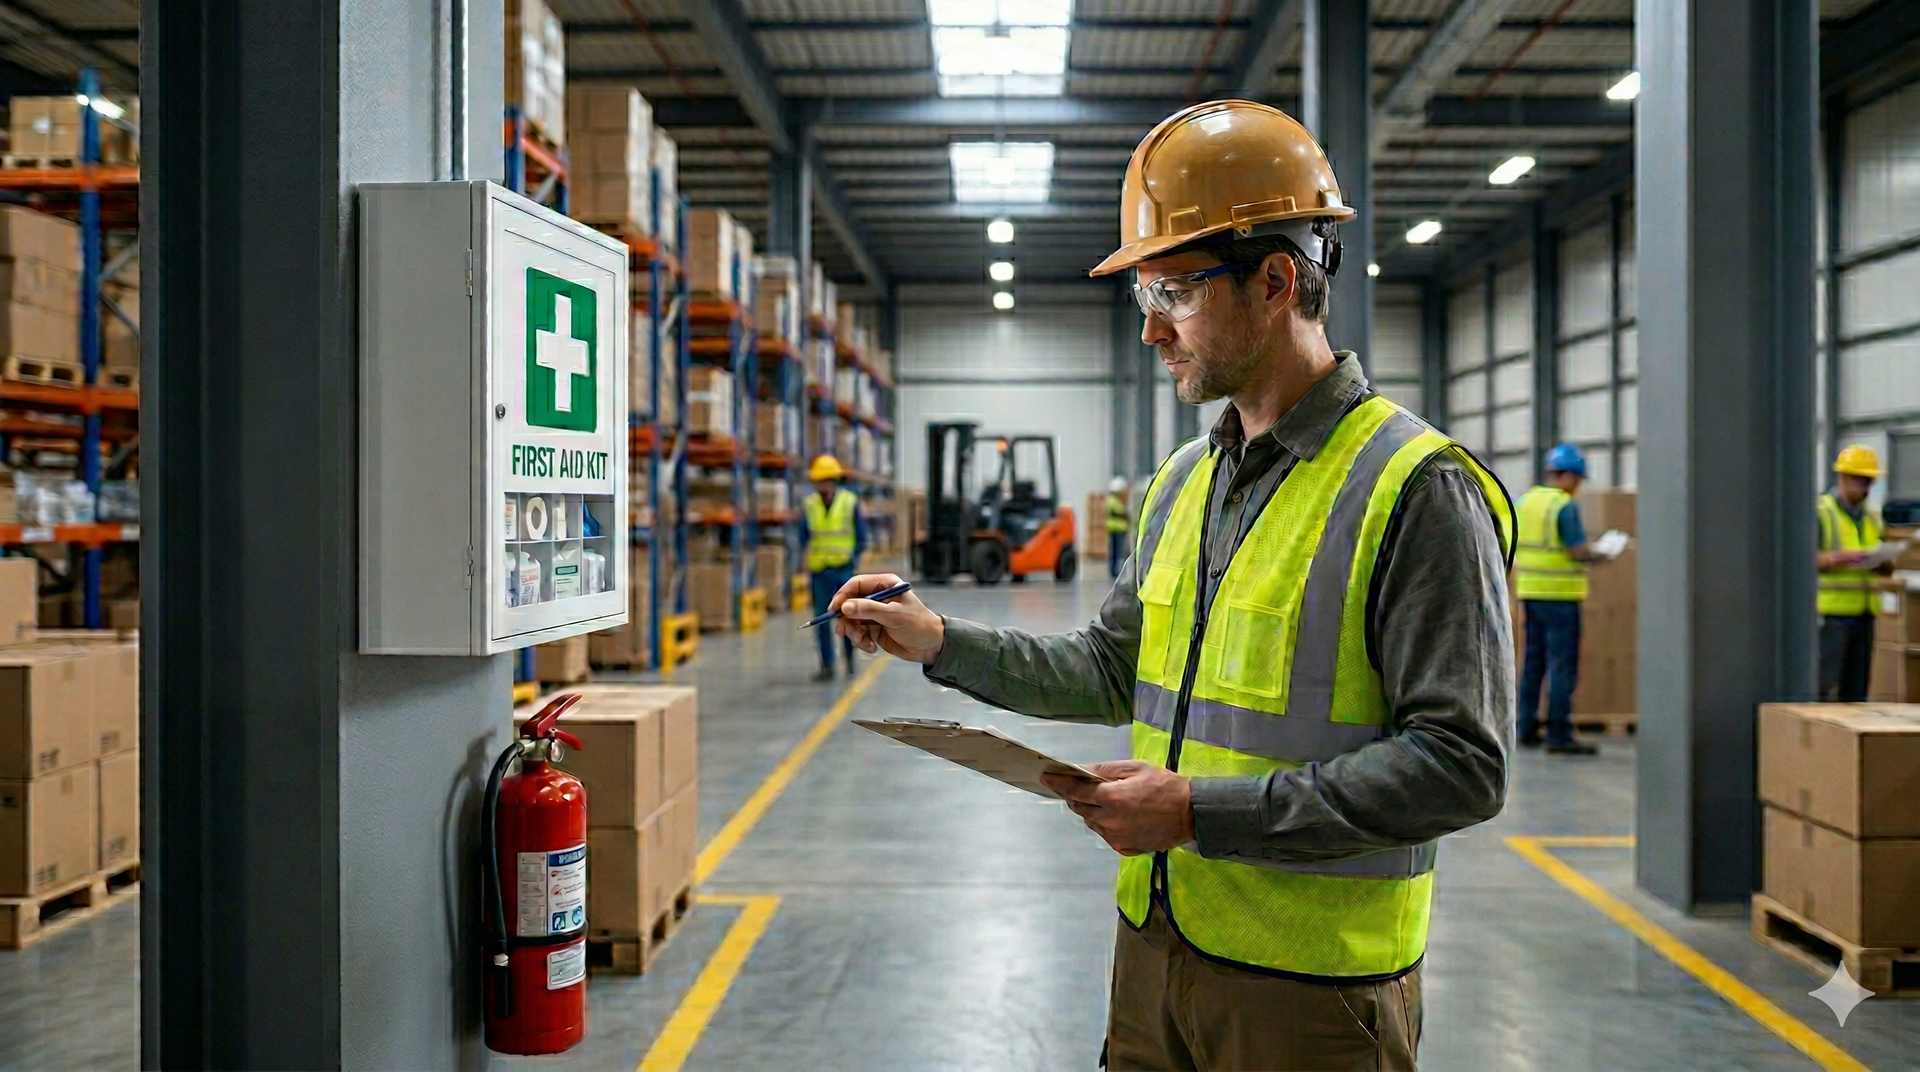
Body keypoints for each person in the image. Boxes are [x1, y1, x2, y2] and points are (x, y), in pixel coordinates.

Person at [828, 100, 1516, 1072]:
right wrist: (938, 640)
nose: (1153, 333)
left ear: (1276, 280)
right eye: (1142, 300)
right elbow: (1114, 671)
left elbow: (1462, 764)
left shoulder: (1418, 489)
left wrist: (1198, 811)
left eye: (1175, 295)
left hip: (1311, 993)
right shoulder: (1184, 481)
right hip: (1156, 949)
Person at [1514, 443, 1602, 756]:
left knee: (1533, 663)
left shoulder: (1527, 501)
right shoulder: (1564, 506)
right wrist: (1598, 554)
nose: (1578, 487)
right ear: (1567, 475)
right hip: (1560, 596)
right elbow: (1577, 550)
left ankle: (1524, 728)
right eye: (1577, 479)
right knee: (1562, 665)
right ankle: (1558, 734)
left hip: (1530, 592)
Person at [1817, 445, 1886, 701]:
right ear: (1843, 477)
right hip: (1833, 615)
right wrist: (1840, 558)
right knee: (1825, 686)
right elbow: (1806, 560)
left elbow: (1878, 550)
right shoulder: (1823, 512)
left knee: (1856, 692)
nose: (1865, 487)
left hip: (1865, 615)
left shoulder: (1872, 516)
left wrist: (1884, 561)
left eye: (1869, 481)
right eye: (1860, 480)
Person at [799, 454, 867, 682]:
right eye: (820, 481)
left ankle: (849, 660)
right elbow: (802, 536)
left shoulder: (850, 502)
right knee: (821, 619)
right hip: (820, 572)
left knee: (846, 617)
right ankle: (827, 666)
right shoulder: (810, 505)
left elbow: (861, 536)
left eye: (827, 480)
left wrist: (852, 559)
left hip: (843, 570)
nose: (823, 485)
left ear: (835, 480)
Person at [1105, 476, 1131, 578]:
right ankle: (1115, 570)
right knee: (1117, 551)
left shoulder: (1112, 500)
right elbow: (1122, 513)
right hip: (1117, 528)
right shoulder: (1114, 501)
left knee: (1115, 551)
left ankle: (1115, 569)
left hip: (1116, 528)